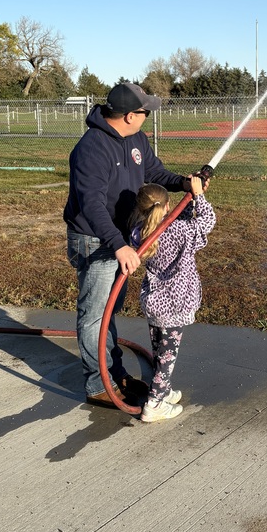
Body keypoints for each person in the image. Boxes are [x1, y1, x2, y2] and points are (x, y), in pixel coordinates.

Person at [64, 82, 198, 406]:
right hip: (96, 240)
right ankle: (99, 385)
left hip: (120, 240)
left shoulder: (136, 138)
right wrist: (118, 245)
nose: (148, 115)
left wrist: (182, 182)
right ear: (127, 116)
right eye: (144, 111)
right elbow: (92, 204)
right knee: (96, 314)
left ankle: (115, 373)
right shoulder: (91, 149)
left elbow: (153, 171)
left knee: (109, 314)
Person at [130, 175, 216, 422]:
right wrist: (198, 195)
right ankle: (154, 404)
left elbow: (182, 218)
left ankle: (163, 391)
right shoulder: (179, 231)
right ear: (168, 205)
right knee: (167, 357)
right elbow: (207, 221)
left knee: (159, 349)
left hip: (154, 301)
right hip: (175, 301)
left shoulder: (138, 231)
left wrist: (190, 200)